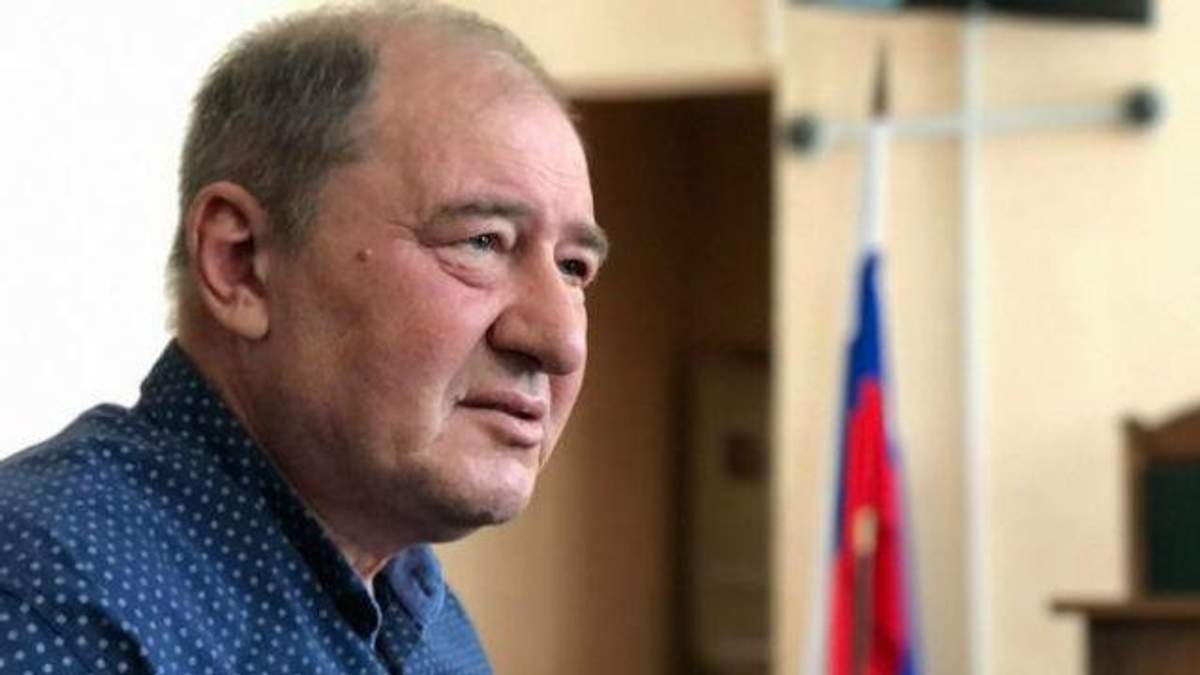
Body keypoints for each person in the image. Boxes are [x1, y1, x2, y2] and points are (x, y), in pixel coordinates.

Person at [0, 1, 607, 673]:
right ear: (240, 263)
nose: (560, 341)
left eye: (573, 268)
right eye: (482, 241)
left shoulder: (429, 620)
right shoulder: (50, 599)